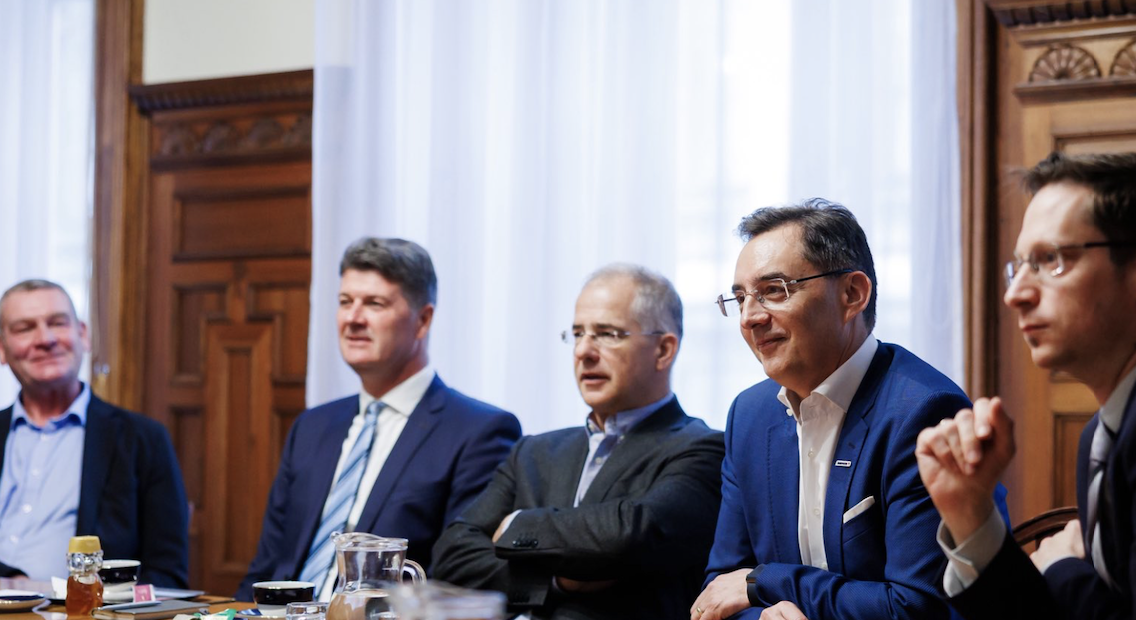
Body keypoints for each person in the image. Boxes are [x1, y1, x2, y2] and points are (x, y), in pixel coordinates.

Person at [694, 199, 996, 620]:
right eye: (740, 298)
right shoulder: (749, 416)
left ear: (852, 294)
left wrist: (769, 581)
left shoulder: (922, 412)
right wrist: (761, 617)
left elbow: (914, 607)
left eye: (773, 291)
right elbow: (721, 587)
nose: (749, 317)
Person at [433, 264, 724, 620]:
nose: (583, 351)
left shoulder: (702, 449)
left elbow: (631, 535)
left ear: (663, 350)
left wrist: (518, 524)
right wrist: (554, 582)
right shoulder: (535, 452)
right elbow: (452, 555)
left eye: (607, 334)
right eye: (577, 334)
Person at [916, 151, 1136, 620]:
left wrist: (1060, 569)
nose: (1015, 295)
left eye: (1051, 260)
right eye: (1019, 267)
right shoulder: (1099, 436)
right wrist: (970, 514)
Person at [238, 238, 521, 601]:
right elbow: (267, 567)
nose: (353, 319)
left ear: (423, 320)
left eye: (374, 304)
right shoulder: (311, 427)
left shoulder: (479, 432)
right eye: (345, 302)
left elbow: (458, 579)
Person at [0, 279, 189, 586]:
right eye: (24, 328)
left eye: (58, 323)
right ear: (2, 349)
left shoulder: (142, 439)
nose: (45, 339)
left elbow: (167, 574)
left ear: (83, 335)